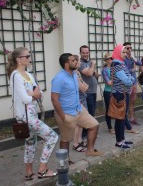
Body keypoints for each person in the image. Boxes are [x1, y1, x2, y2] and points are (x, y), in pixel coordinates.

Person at [7, 47, 58, 180]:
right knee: (52, 137)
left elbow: (39, 93)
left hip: (32, 115)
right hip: (25, 118)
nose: (30, 58)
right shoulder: (15, 76)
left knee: (31, 143)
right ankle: (42, 169)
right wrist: (33, 95)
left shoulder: (29, 75)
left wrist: (33, 94)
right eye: (27, 56)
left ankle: (29, 173)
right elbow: (26, 99)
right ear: (19, 59)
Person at [51, 53, 103, 162]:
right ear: (66, 64)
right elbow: (54, 99)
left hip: (79, 110)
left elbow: (78, 90)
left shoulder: (74, 74)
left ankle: (90, 150)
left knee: (94, 125)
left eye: (76, 60)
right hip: (66, 113)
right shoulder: (59, 78)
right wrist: (63, 116)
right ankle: (65, 161)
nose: (76, 62)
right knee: (66, 139)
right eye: (73, 60)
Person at [111, 44, 135, 148]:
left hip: (123, 93)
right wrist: (131, 79)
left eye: (126, 52)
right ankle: (119, 142)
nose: (125, 54)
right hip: (119, 93)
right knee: (119, 118)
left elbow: (128, 76)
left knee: (122, 117)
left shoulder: (121, 63)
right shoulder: (117, 64)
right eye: (123, 52)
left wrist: (130, 79)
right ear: (117, 52)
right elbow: (127, 80)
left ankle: (122, 139)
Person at [72, 55, 89, 152]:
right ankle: (75, 143)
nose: (80, 63)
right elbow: (83, 87)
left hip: (82, 98)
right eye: (78, 61)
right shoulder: (74, 73)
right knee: (78, 123)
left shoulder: (77, 72)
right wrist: (85, 86)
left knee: (81, 122)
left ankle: (79, 140)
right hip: (79, 99)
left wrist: (84, 86)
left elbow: (84, 85)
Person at [124, 42, 142, 125]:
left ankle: (131, 117)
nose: (129, 49)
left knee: (132, 101)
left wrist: (134, 58)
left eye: (130, 48)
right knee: (125, 102)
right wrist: (132, 69)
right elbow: (124, 69)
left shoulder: (132, 57)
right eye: (127, 48)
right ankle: (125, 119)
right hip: (126, 83)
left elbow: (140, 63)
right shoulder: (123, 58)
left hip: (134, 82)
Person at [78, 45, 99, 117]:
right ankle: (89, 128)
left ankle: (91, 127)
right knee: (90, 114)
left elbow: (95, 75)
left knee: (93, 111)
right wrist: (93, 64)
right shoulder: (80, 63)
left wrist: (94, 70)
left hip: (93, 91)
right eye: (83, 53)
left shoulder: (88, 63)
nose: (85, 54)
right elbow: (89, 73)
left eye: (87, 52)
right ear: (80, 53)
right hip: (87, 93)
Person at [101, 52, 115, 134]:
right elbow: (108, 83)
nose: (112, 60)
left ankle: (119, 126)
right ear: (106, 60)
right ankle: (110, 127)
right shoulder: (105, 70)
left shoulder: (115, 68)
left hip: (116, 91)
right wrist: (117, 79)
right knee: (109, 110)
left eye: (112, 58)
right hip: (108, 92)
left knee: (117, 109)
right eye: (110, 58)